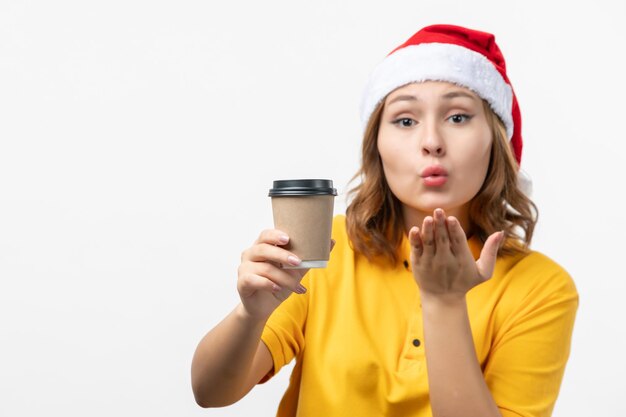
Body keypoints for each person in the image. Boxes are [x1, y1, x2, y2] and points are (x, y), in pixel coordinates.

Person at [191, 24, 578, 417]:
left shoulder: (542, 288)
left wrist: (444, 303)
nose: (432, 140)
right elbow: (210, 392)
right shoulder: (329, 248)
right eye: (405, 120)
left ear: (496, 141)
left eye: (458, 117)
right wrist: (250, 313)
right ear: (376, 146)